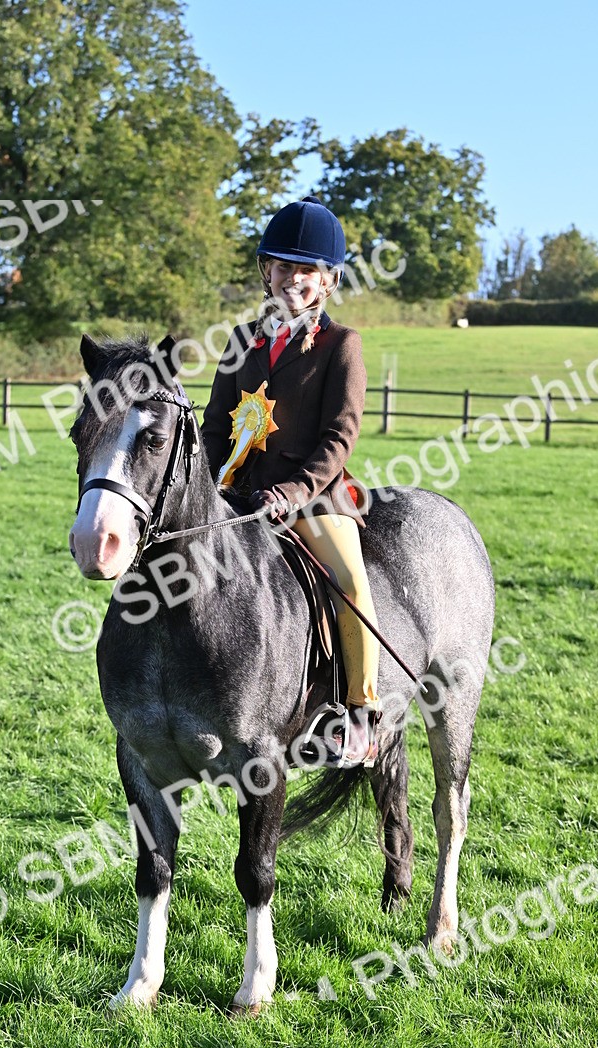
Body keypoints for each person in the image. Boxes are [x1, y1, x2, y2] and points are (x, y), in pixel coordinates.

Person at [200, 195, 381, 766]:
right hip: (238, 493)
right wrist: (203, 487)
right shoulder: (240, 343)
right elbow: (211, 430)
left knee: (350, 581)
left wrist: (295, 492)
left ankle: (358, 715)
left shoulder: (341, 346)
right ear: (266, 272)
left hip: (314, 496)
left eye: (307, 271)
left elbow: (340, 436)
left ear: (327, 281)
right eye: (283, 267)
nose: (293, 279)